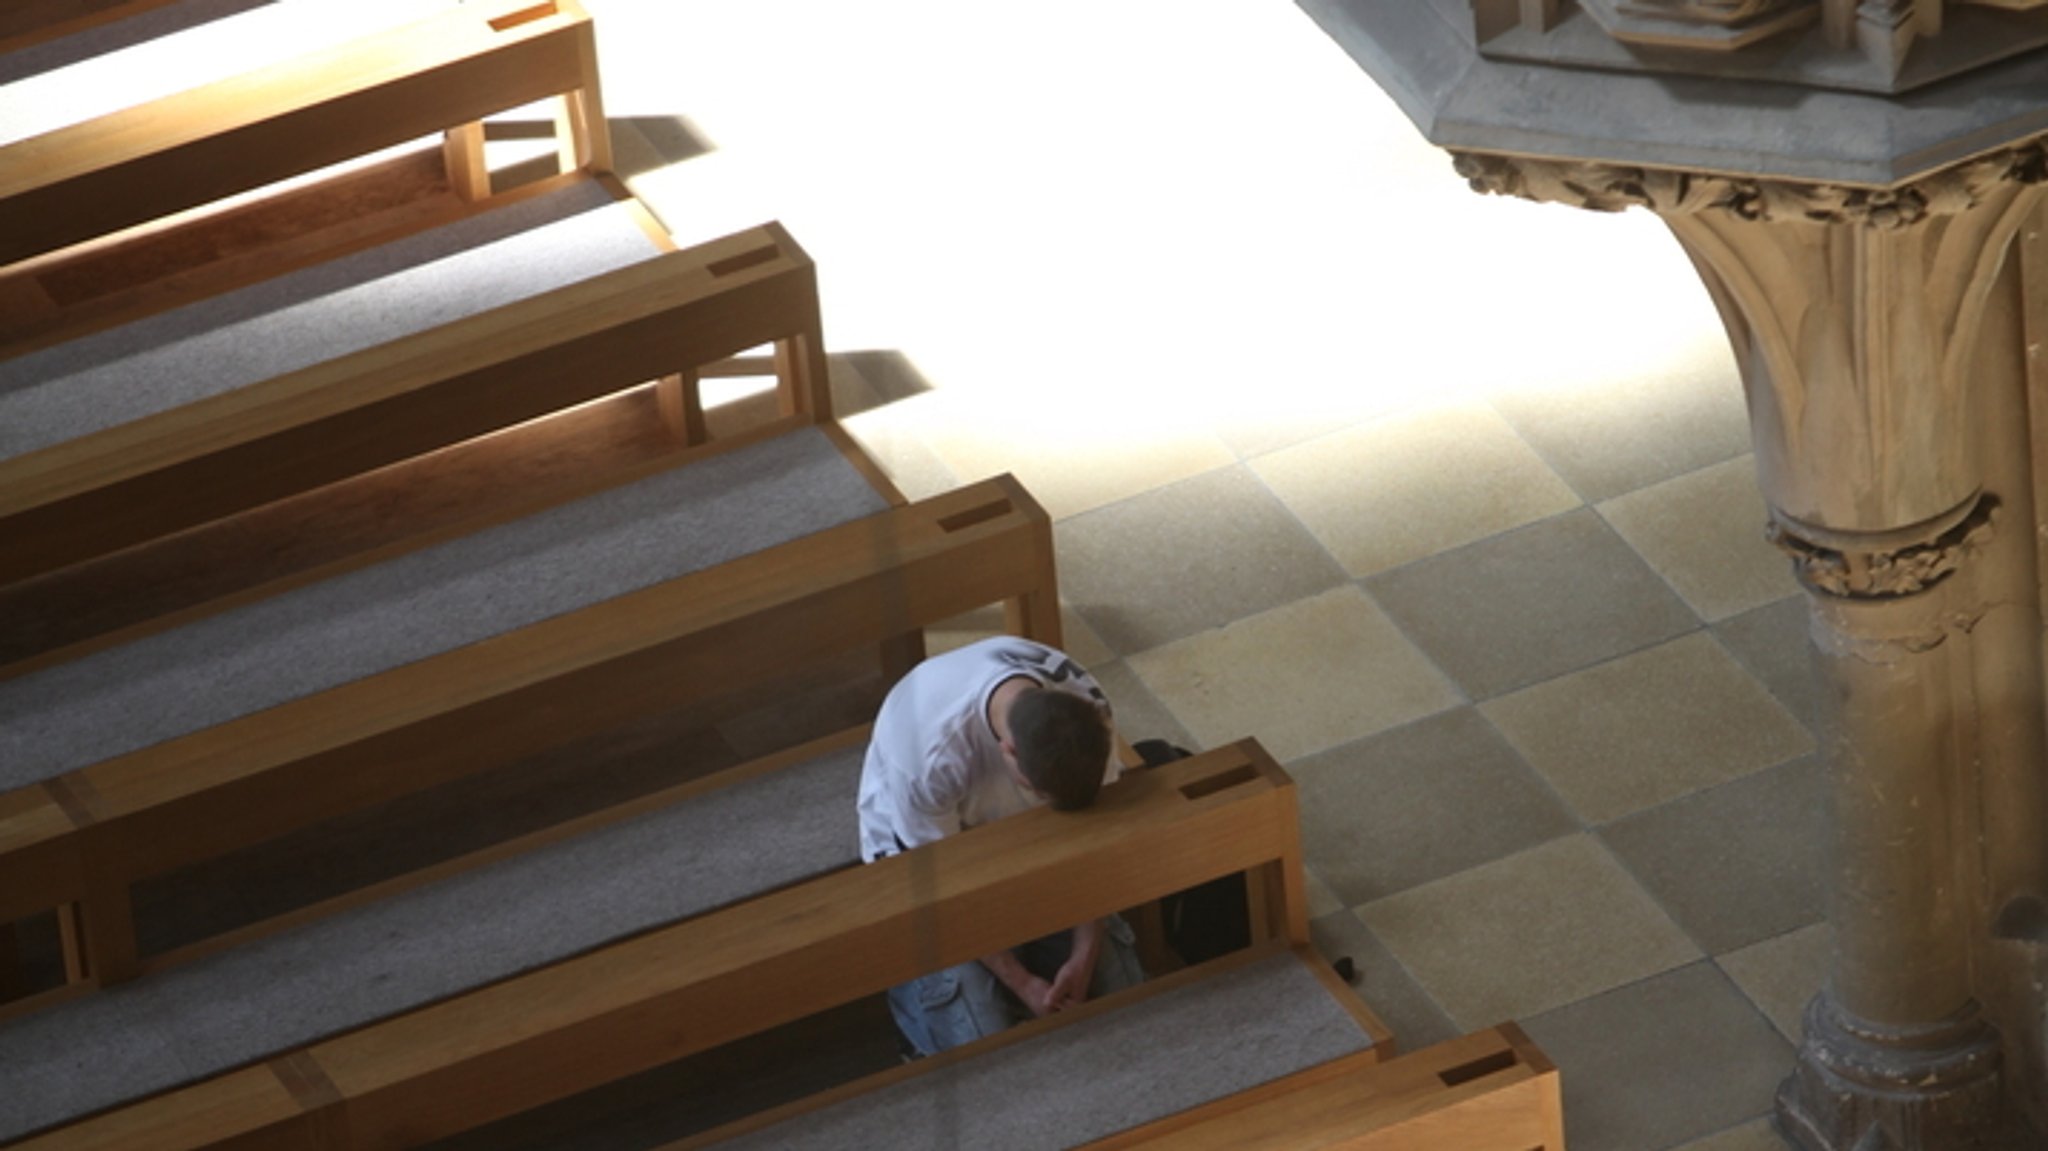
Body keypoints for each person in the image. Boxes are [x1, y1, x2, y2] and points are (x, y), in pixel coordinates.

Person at [857, 635, 1145, 1057]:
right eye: (1039, 793)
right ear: (1006, 751)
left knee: (1126, 1001)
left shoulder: (1087, 707)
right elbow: (946, 892)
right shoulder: (930, 756)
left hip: (1035, 850)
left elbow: (1089, 836)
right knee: (988, 1047)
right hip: (930, 876)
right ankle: (916, 1012)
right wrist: (1023, 983)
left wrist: (1084, 951)